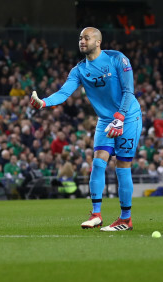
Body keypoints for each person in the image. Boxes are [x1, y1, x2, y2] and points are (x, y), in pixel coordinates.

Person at [29, 27, 141, 231]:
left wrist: (120, 118)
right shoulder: (79, 69)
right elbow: (64, 93)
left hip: (128, 117)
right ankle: (96, 214)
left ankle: (126, 219)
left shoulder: (118, 59)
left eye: (86, 38)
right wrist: (43, 103)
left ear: (98, 42)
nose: (82, 41)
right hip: (105, 119)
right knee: (98, 163)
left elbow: (128, 91)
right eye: (80, 38)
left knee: (122, 167)